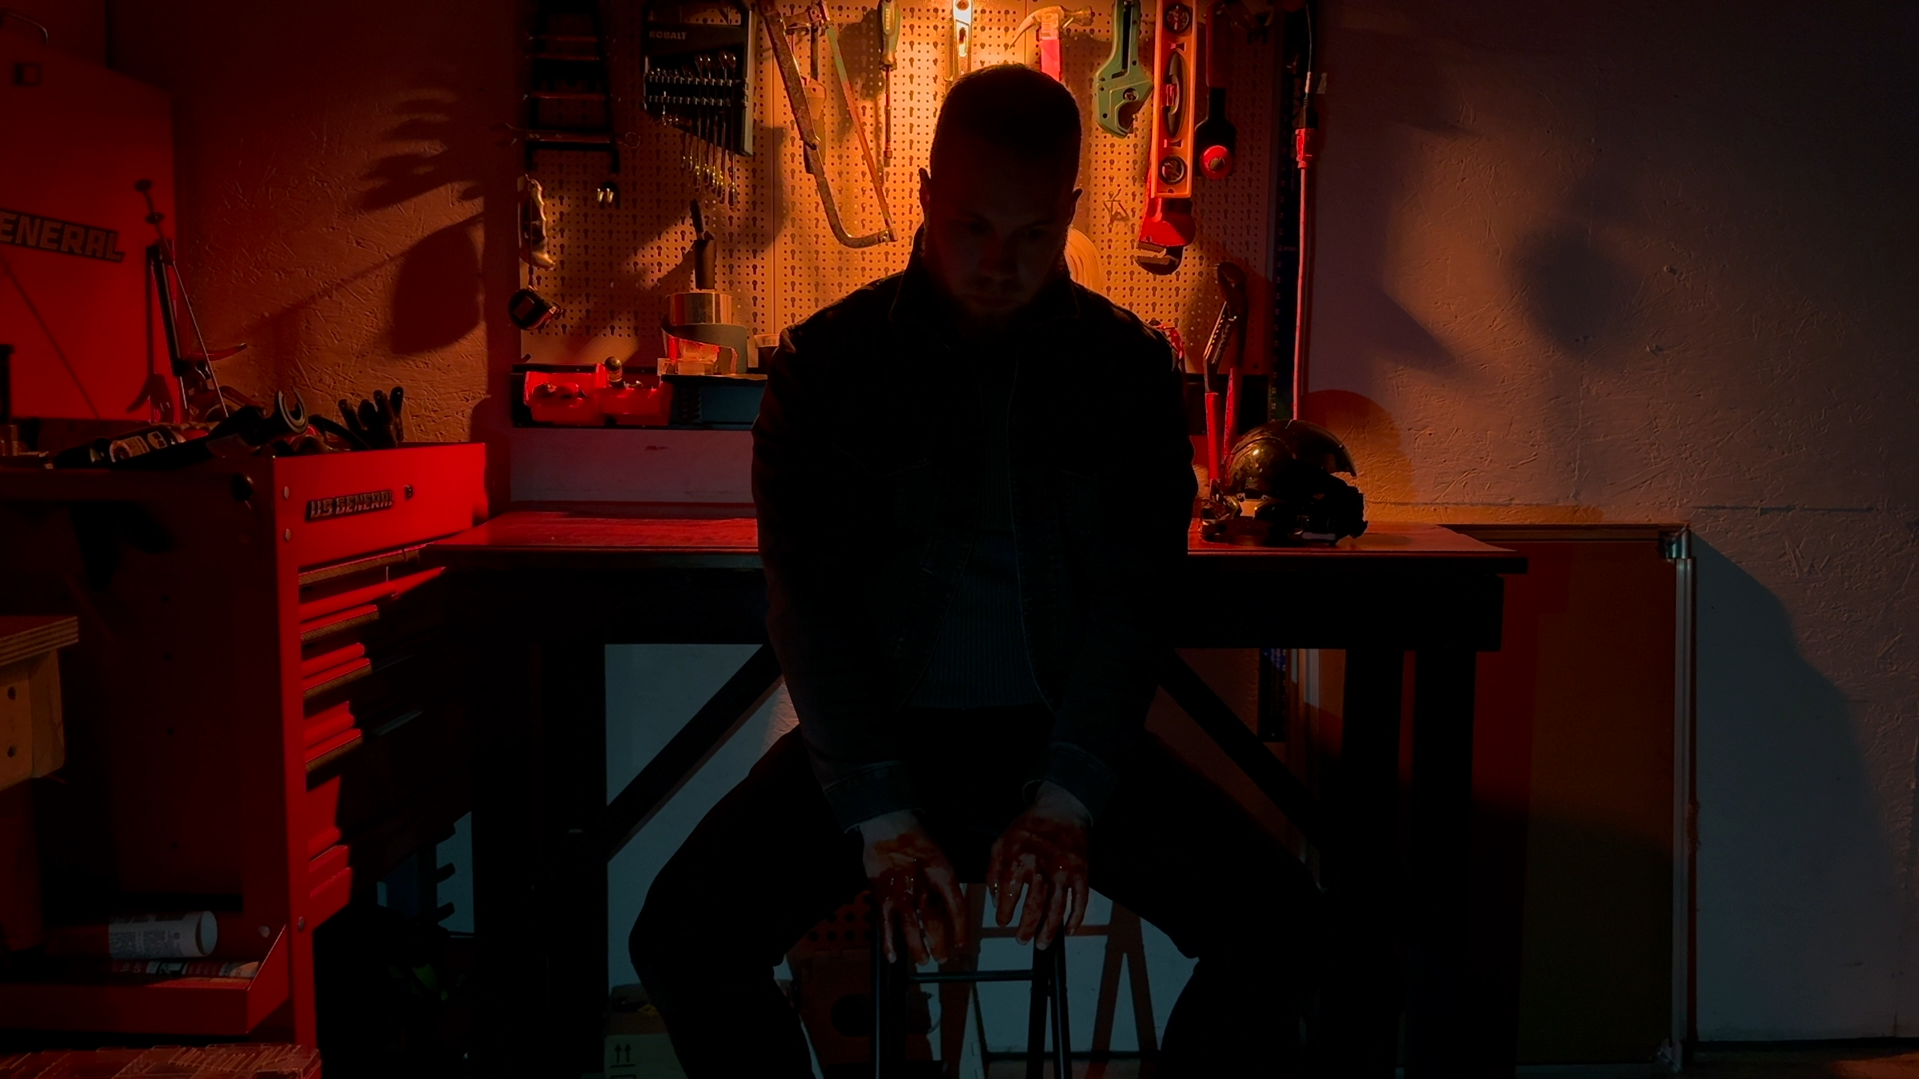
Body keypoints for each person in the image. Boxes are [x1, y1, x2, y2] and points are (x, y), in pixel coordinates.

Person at [631, 63, 1322, 1077]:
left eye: (1033, 235)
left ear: (1070, 212)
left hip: (1056, 740)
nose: (999, 262)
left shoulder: (1126, 373)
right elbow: (808, 610)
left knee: (1281, 927)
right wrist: (875, 807)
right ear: (922, 195)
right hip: (883, 744)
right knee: (683, 938)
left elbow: (1135, 607)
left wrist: (1070, 795)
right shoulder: (825, 368)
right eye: (970, 227)